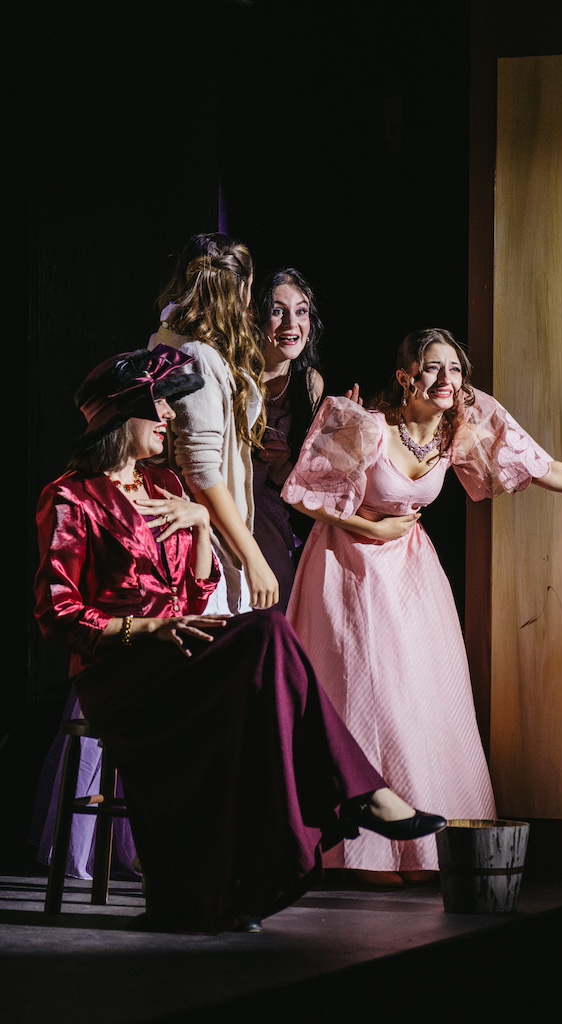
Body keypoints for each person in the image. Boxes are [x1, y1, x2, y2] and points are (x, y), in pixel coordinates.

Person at [33, 344, 447, 934]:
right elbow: (57, 613)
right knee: (267, 635)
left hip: (179, 656)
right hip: (120, 672)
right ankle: (354, 795)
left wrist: (202, 523)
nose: (173, 419)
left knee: (267, 645)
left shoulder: (165, 484)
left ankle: (246, 879)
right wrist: (148, 626)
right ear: (124, 419)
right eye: (161, 411)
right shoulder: (72, 497)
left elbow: (196, 594)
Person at [282, 327, 562, 887]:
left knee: (421, 702)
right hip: (348, 569)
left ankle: (422, 848)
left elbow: (541, 465)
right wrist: (372, 524)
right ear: (404, 374)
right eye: (433, 368)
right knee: (372, 697)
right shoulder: (361, 422)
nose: (447, 381)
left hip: (411, 575)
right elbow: (303, 494)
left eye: (456, 370)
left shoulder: (461, 426)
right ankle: (359, 852)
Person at [148, 232, 276, 615]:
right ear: (240, 290)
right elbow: (201, 470)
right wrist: (253, 557)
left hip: (198, 537)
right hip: (204, 546)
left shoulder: (169, 340)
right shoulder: (196, 355)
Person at [252, 268, 325, 610]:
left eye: (301, 311)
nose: (291, 324)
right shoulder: (236, 374)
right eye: (277, 311)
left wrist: (341, 438)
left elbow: (288, 477)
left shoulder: (309, 382)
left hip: (271, 510)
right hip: (225, 500)